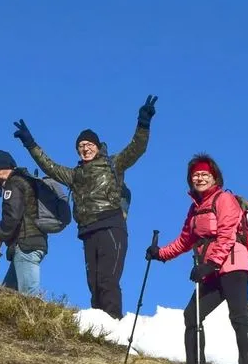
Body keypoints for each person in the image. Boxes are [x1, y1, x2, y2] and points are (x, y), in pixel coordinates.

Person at [13, 95, 157, 318]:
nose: (85, 148)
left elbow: (136, 148)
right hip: (88, 231)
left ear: (98, 147)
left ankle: (114, 324)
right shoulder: (75, 175)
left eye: (89, 144)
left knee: (108, 280)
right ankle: (99, 326)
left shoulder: (114, 163)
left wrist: (143, 123)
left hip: (111, 226)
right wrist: (30, 144)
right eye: (80, 146)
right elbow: (49, 166)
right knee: (94, 283)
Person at [151, 154, 248, 364]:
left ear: (214, 177)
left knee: (238, 315)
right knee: (192, 315)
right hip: (211, 269)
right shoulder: (195, 209)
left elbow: (227, 235)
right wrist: (160, 254)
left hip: (233, 265)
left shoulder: (224, 199)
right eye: (195, 175)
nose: (199, 178)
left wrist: (210, 264)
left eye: (204, 174)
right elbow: (185, 240)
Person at [0, 150, 46, 295]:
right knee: (6, 295)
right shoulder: (26, 181)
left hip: (26, 245)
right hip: (32, 242)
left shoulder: (14, 184)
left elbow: (12, 216)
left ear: (3, 168)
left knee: (29, 298)